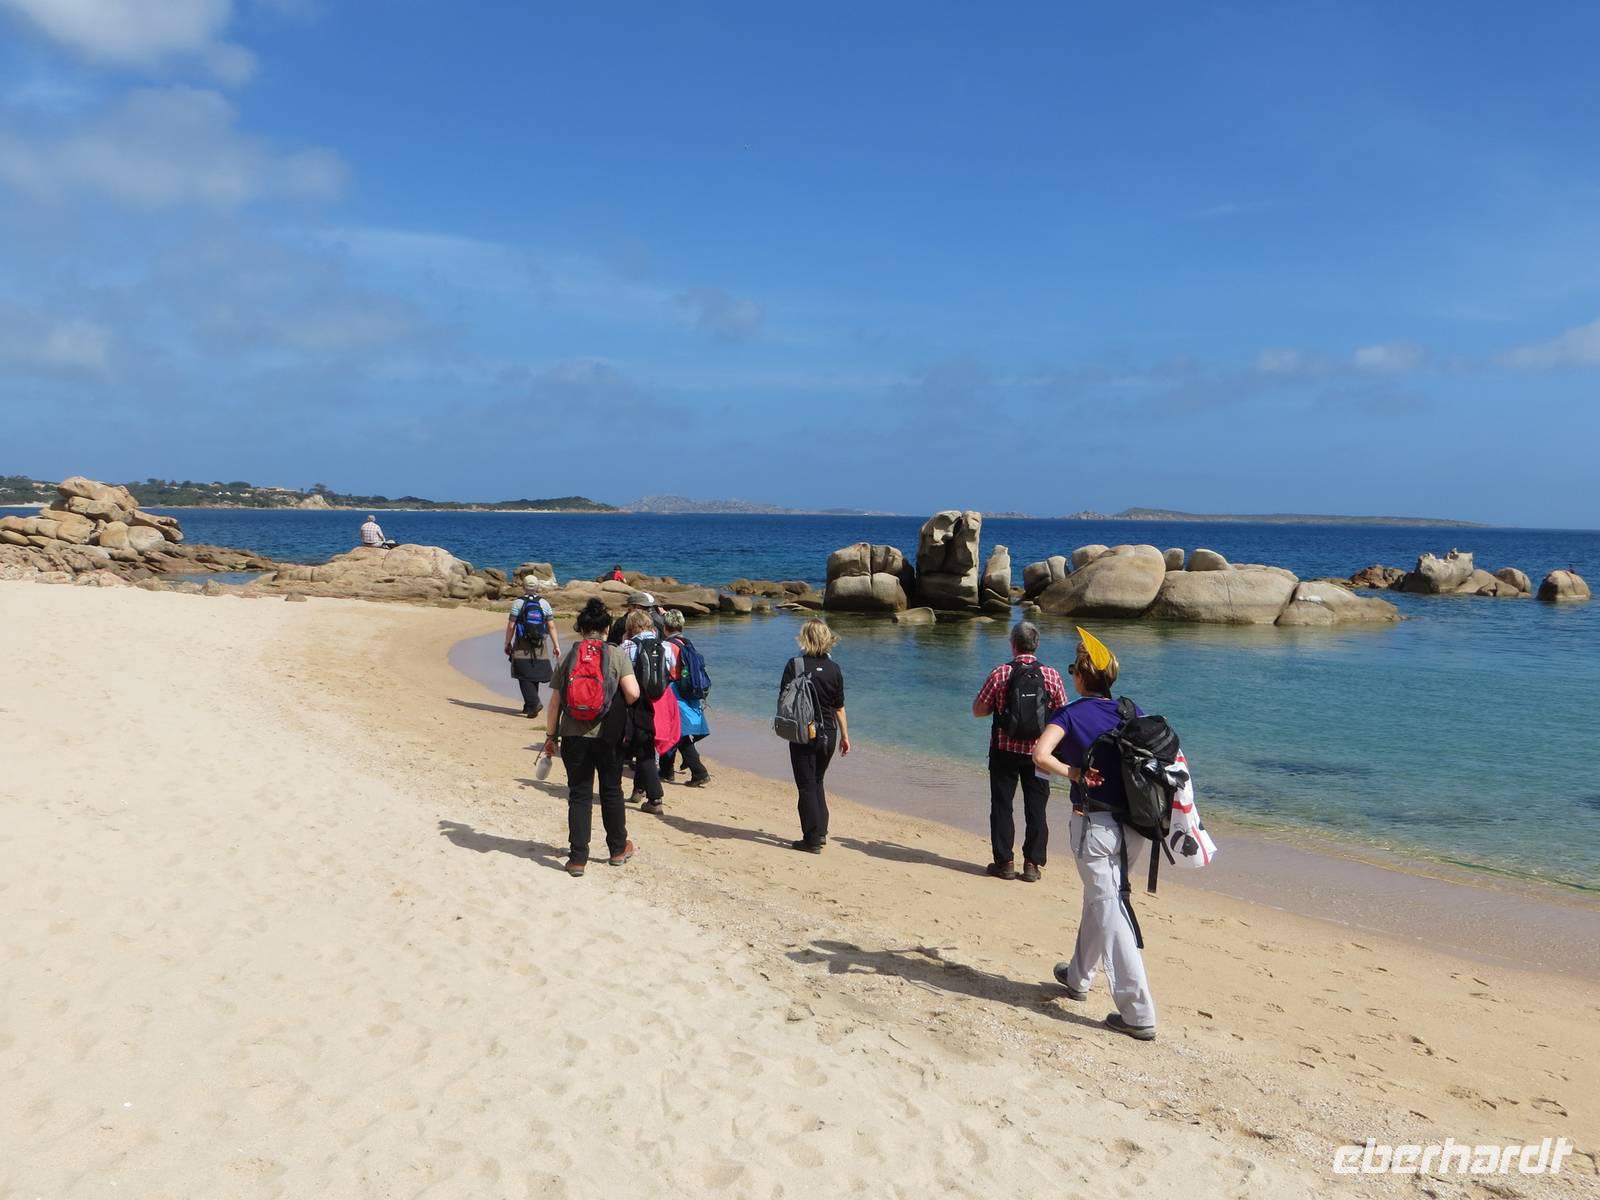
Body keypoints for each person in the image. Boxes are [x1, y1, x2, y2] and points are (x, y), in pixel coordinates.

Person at [1031, 627, 1157, 1041]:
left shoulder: (1069, 714)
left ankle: (1138, 1013)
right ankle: (1078, 977)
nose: (1071, 675)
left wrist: (1074, 772)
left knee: (1111, 908)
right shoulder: (1131, 711)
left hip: (1095, 827)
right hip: (1135, 827)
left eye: (1073, 669)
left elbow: (1039, 754)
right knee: (1100, 900)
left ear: (1082, 676)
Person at [544, 598, 640, 877]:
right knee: (611, 791)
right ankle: (618, 849)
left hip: (573, 735)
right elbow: (633, 693)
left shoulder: (569, 656)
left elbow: (554, 703)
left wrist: (551, 736)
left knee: (579, 794)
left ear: (581, 628)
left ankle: (577, 859)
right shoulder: (617, 655)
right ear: (607, 628)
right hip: (608, 735)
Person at [972, 621, 1068, 882]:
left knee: (1002, 805)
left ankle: (1005, 862)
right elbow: (1063, 715)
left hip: (1004, 750)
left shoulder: (1000, 673)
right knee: (1036, 808)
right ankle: (1032, 864)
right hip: (1040, 755)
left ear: (1013, 644)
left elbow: (978, 710)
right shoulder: (1052, 675)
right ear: (1036, 645)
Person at [779, 619, 849, 853]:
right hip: (830, 733)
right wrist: (845, 736)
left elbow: (784, 700)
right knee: (817, 780)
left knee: (806, 785)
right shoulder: (834, 668)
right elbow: (839, 707)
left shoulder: (795, 665)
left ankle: (811, 838)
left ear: (804, 638)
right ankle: (821, 831)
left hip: (804, 731)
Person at [621, 609, 681, 814]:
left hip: (635, 701)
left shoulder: (627, 646)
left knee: (642, 750)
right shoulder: (665, 646)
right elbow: (672, 672)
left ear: (630, 628)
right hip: (660, 702)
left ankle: (655, 798)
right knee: (645, 746)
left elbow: (620, 673)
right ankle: (638, 789)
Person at [659, 609, 711, 787]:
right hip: (687, 691)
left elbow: (664, 671)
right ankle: (666, 770)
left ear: (665, 627)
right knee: (676, 731)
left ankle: (699, 772)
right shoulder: (687, 643)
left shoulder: (665, 646)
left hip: (672, 691)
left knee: (677, 733)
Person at [504, 576, 559, 718]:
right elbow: (551, 626)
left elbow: (511, 626)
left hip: (522, 643)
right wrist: (556, 645)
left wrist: (507, 642)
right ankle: (528, 706)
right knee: (534, 673)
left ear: (523, 587)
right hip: (540, 644)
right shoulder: (544, 603)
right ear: (537, 587)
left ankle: (534, 703)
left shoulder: (518, 603)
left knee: (522, 674)